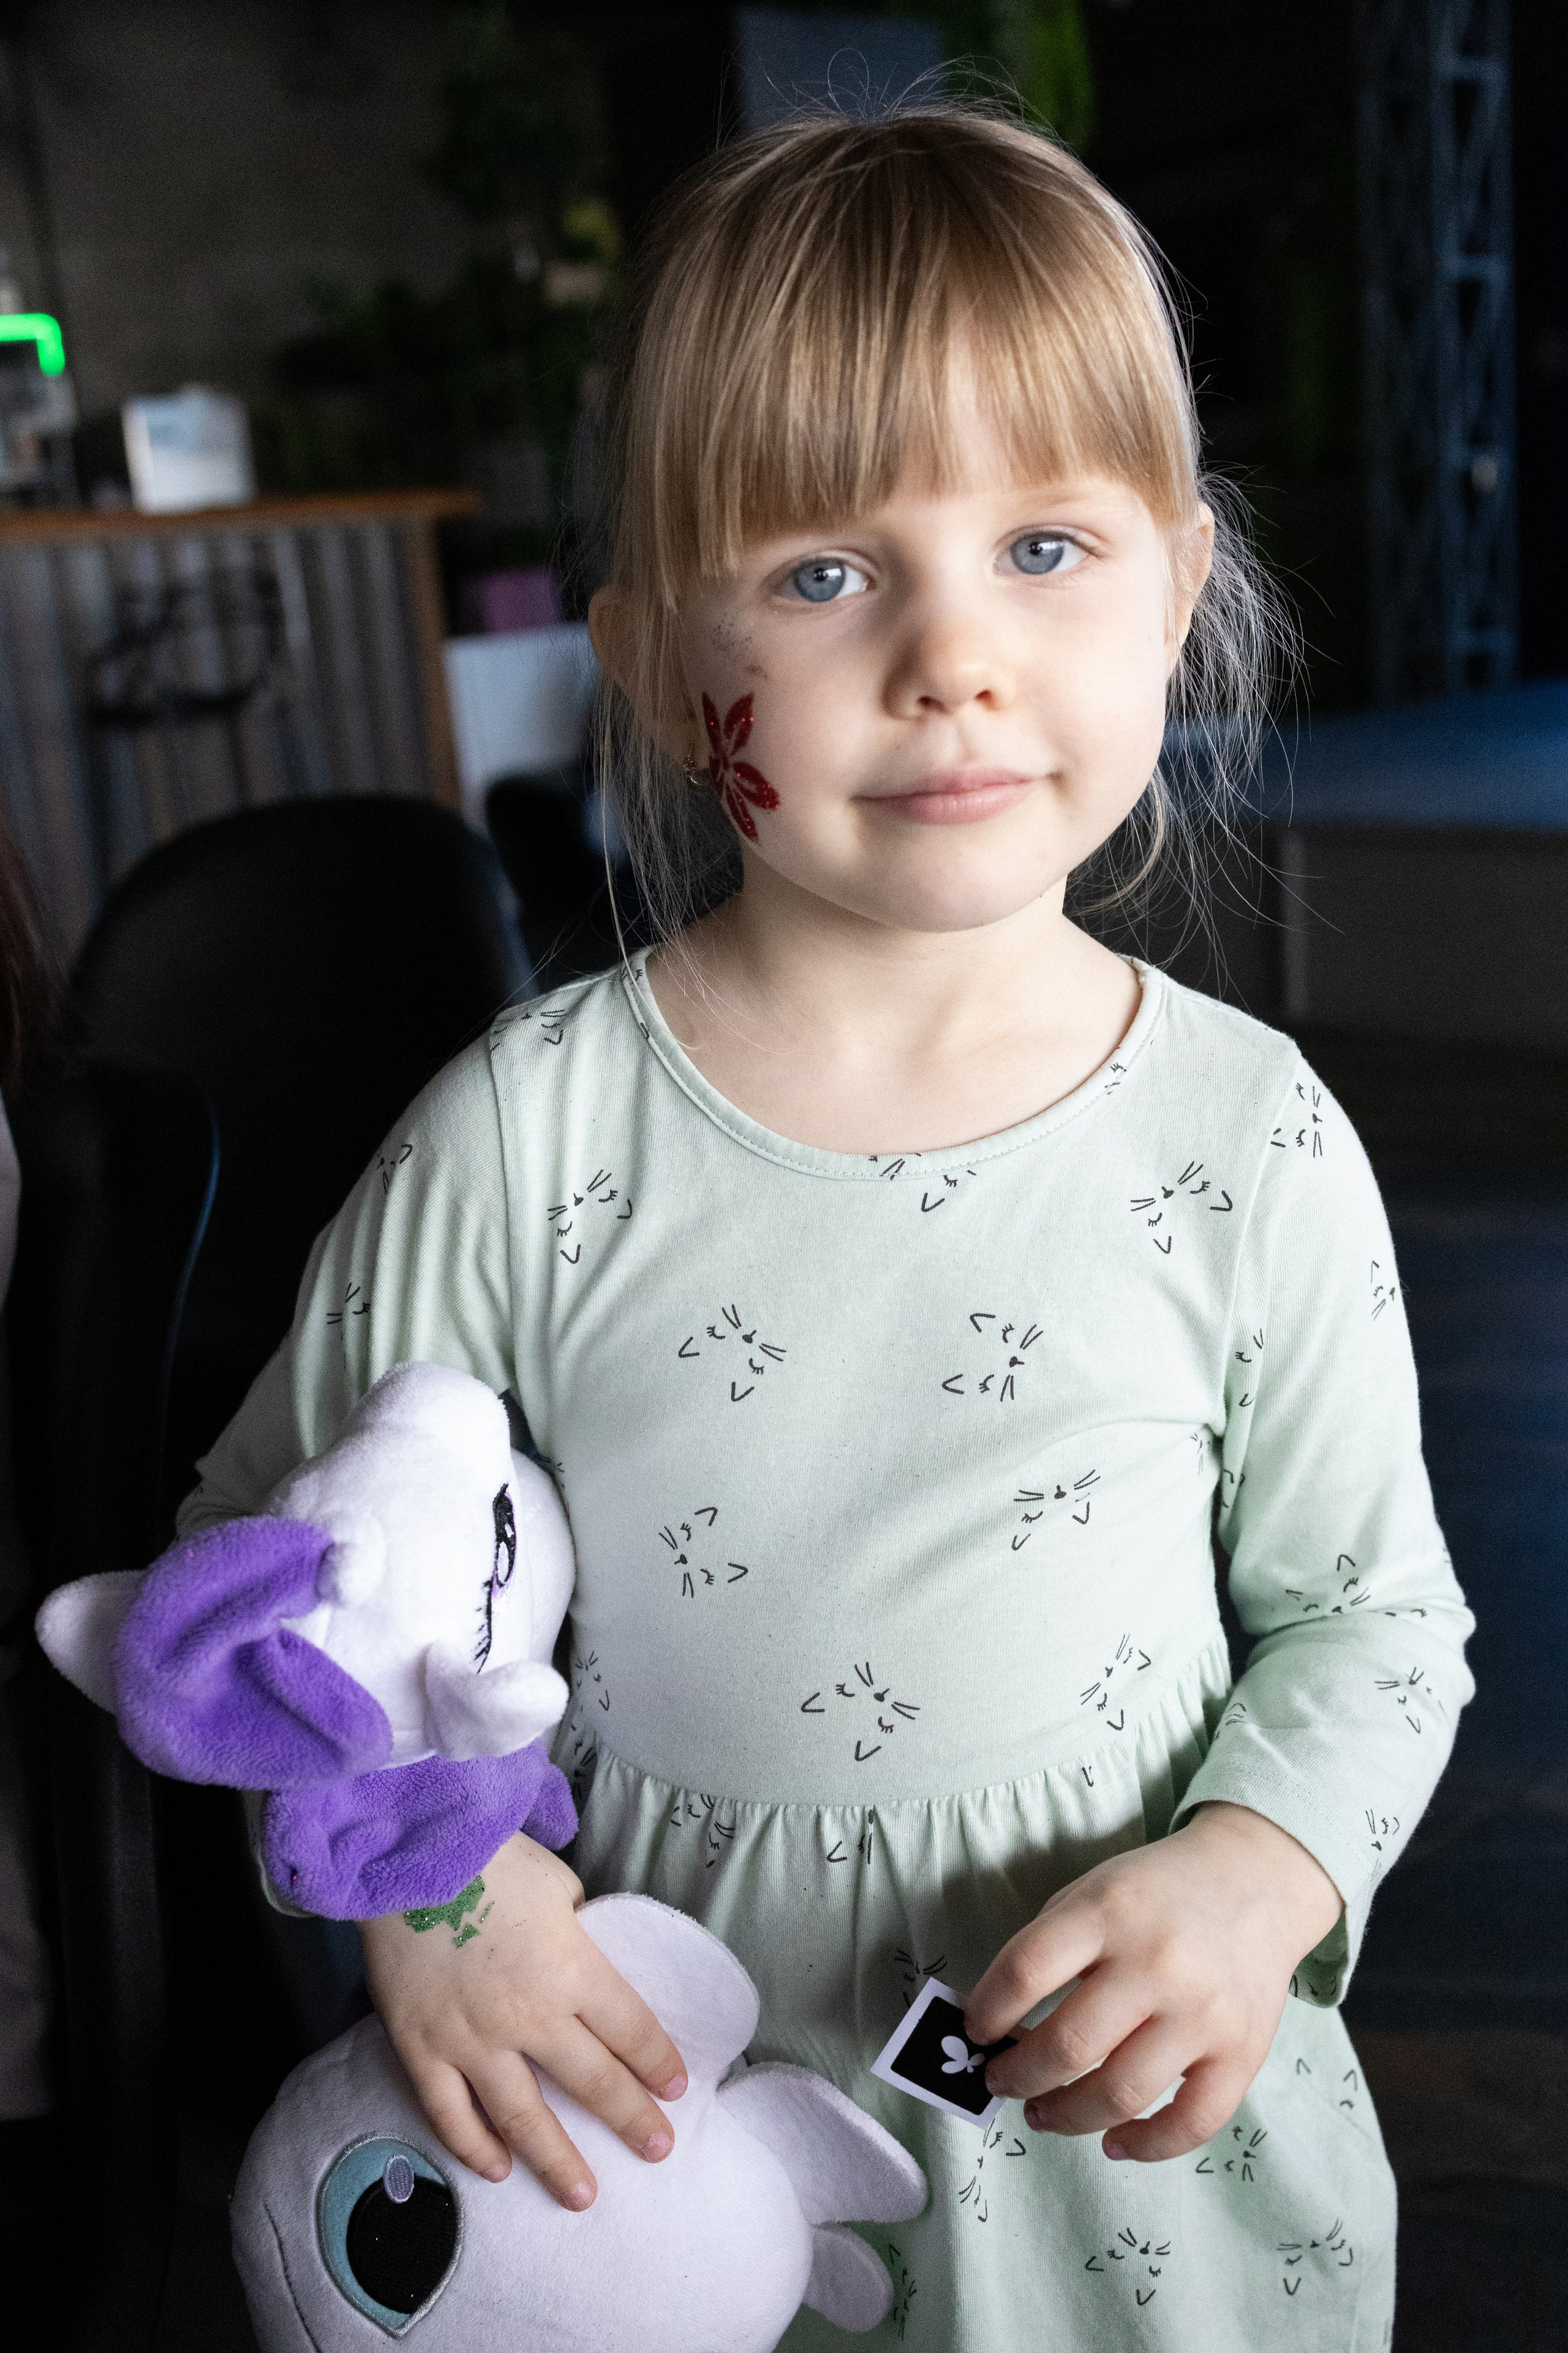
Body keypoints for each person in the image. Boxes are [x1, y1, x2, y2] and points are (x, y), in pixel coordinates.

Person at [184, 106, 1474, 2349]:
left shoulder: (1248, 1137)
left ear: (1180, 582)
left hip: (1132, 2217)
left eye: (1048, 548)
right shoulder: (526, 1133)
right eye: (818, 573)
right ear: (657, 665)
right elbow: (261, 1581)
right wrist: (444, 1882)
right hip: (663, 2179)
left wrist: (1261, 1871)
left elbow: (1376, 1621)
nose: (952, 654)